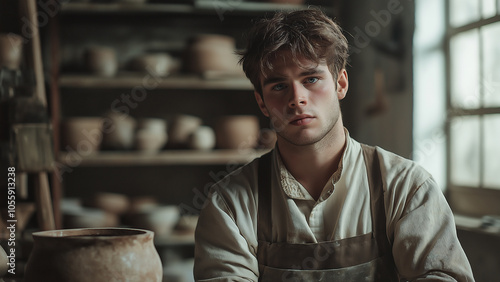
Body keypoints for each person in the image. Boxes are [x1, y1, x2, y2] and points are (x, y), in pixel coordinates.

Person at [194, 8, 474, 282]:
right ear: (261, 103)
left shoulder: (407, 187)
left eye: (311, 79)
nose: (297, 98)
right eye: (279, 86)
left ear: (340, 83)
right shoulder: (229, 204)